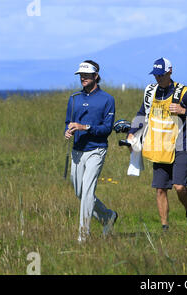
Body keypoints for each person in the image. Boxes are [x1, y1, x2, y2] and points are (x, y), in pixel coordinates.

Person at [127, 57, 187, 231]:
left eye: (161, 75)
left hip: (181, 145)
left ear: (170, 72)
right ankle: (165, 227)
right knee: (160, 189)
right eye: (156, 75)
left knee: (179, 186)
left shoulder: (184, 92)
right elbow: (142, 113)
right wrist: (131, 132)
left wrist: (183, 111)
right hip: (159, 145)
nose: (158, 78)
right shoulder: (150, 92)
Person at [64, 60, 118, 242]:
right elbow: (68, 121)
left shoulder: (107, 99)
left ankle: (83, 236)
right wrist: (69, 130)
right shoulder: (74, 98)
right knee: (80, 193)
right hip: (77, 151)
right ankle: (108, 217)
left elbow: (106, 129)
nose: (83, 78)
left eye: (86, 75)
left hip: (97, 149)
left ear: (96, 76)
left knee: (87, 192)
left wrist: (84, 127)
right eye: (81, 75)